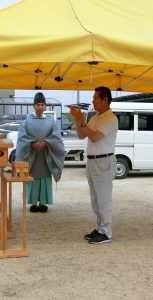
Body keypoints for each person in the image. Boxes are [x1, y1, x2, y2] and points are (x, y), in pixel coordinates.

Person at [70, 86, 118, 244]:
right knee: (96, 199)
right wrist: (79, 121)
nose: (93, 100)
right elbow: (81, 135)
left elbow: (95, 137)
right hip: (92, 161)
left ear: (105, 100)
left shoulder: (111, 119)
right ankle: (100, 229)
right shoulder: (96, 116)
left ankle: (106, 232)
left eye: (96, 97)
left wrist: (81, 121)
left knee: (103, 199)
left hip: (103, 161)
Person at [15, 92, 65, 213]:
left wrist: (46, 143)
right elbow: (21, 136)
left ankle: (43, 203)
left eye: (42, 105)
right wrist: (32, 143)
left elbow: (56, 136)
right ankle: (33, 202)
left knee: (44, 178)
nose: (40, 107)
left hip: (46, 156)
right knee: (33, 178)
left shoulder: (51, 121)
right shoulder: (27, 121)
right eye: (38, 105)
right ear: (33, 106)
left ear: (45, 106)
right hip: (32, 156)